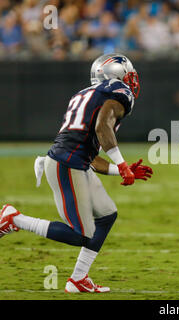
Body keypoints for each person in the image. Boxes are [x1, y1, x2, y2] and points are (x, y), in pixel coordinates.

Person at [0, 53, 153, 293]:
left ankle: (78, 279)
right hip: (66, 164)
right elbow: (103, 126)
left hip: (73, 161)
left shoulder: (85, 94)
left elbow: (91, 154)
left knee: (107, 215)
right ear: (116, 75)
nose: (132, 80)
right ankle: (14, 219)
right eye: (129, 74)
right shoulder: (118, 93)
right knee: (81, 235)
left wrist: (119, 169)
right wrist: (123, 165)